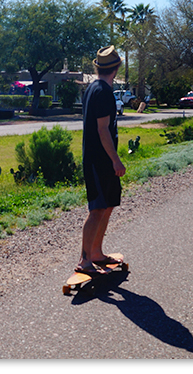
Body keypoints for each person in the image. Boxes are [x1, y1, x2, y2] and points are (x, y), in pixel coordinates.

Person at [77, 45, 126, 274]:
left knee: (107, 206)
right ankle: (84, 260)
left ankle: (96, 252)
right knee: (96, 209)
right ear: (116, 68)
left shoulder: (93, 88)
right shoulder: (103, 92)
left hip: (102, 159)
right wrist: (116, 160)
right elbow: (103, 130)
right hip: (99, 161)